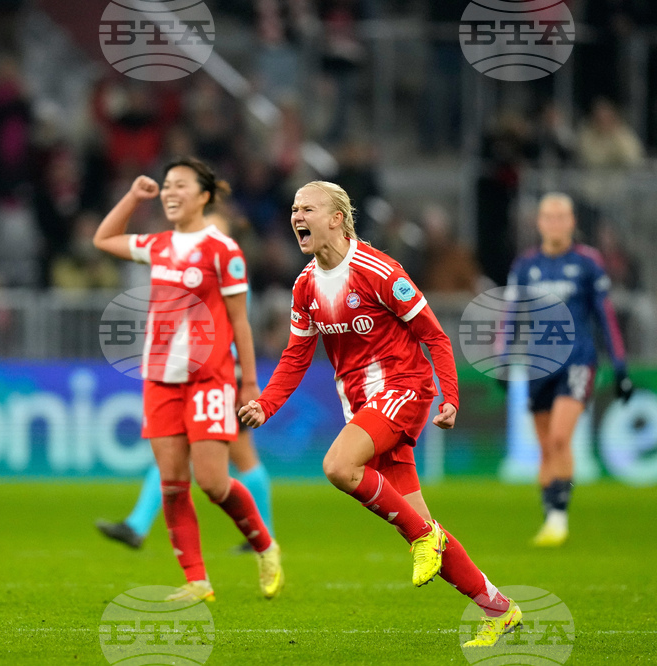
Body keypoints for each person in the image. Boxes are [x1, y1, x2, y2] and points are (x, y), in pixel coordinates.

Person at [239, 181, 521, 647]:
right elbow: (295, 356)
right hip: (366, 404)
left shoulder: (379, 270)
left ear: (336, 218)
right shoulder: (305, 286)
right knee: (420, 521)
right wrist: (266, 405)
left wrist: (449, 396)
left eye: (307, 208)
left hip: (403, 390)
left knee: (337, 466)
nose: (296, 215)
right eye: (293, 208)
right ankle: (500, 609)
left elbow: (434, 336)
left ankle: (422, 538)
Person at [93, 157, 282, 602]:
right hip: (159, 379)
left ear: (204, 195)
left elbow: (241, 322)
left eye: (180, 185)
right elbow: (103, 238)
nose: (170, 192)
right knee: (173, 484)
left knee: (213, 483)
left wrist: (250, 384)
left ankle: (265, 545)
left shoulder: (223, 251)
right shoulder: (158, 244)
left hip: (209, 379)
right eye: (165, 185)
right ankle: (198, 581)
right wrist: (132, 196)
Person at [506, 193, 632, 547]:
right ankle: (551, 519)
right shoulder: (525, 266)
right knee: (546, 446)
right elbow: (511, 316)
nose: (556, 222)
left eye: (562, 216)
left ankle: (559, 518)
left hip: (578, 361)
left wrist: (619, 365)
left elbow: (605, 316)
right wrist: (503, 358)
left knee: (561, 437)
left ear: (572, 222)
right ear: (540, 222)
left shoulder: (588, 263)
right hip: (537, 365)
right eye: (549, 216)